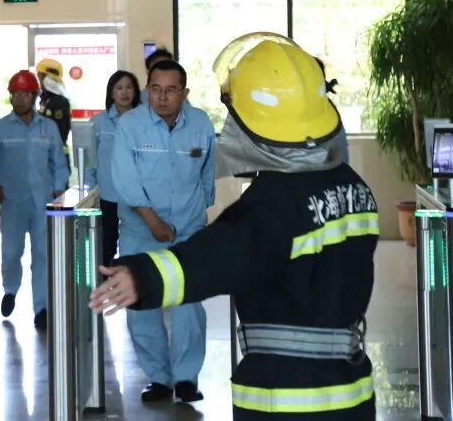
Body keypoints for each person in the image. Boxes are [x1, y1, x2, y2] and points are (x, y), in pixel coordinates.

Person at [91, 37, 376, 421]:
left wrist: (141, 277)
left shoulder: (272, 202)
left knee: (189, 312)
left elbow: (218, 258)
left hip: (286, 398)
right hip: (351, 391)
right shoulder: (354, 187)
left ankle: (184, 376)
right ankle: (160, 376)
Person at [109, 58, 215, 404]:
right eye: (155, 89)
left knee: (189, 305)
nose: (162, 97)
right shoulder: (131, 125)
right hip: (141, 229)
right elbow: (125, 178)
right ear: (147, 90)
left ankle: (186, 378)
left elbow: (207, 174)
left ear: (185, 93)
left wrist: (198, 214)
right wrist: (152, 220)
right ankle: (159, 378)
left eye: (171, 90)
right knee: (142, 303)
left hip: (188, 230)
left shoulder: (200, 124)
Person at [0, 70, 70, 329]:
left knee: (43, 255)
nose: (20, 99)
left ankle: (41, 307)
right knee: (11, 252)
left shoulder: (48, 128)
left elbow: (59, 162)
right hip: (12, 202)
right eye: (15, 94)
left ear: (34, 96)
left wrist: (59, 189)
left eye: (25, 94)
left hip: (43, 202)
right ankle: (10, 289)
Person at [84, 70, 141, 266]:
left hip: (135, 198)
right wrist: (92, 194)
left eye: (129, 87)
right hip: (106, 197)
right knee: (105, 248)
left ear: (135, 92)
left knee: (133, 249)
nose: (124, 92)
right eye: (119, 88)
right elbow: (88, 162)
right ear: (111, 93)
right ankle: (104, 283)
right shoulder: (98, 122)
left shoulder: (145, 122)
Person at [36, 58, 71, 157]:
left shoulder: (59, 102)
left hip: (56, 156)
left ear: (48, 78)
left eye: (40, 76)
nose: (38, 80)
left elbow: (59, 133)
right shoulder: (45, 99)